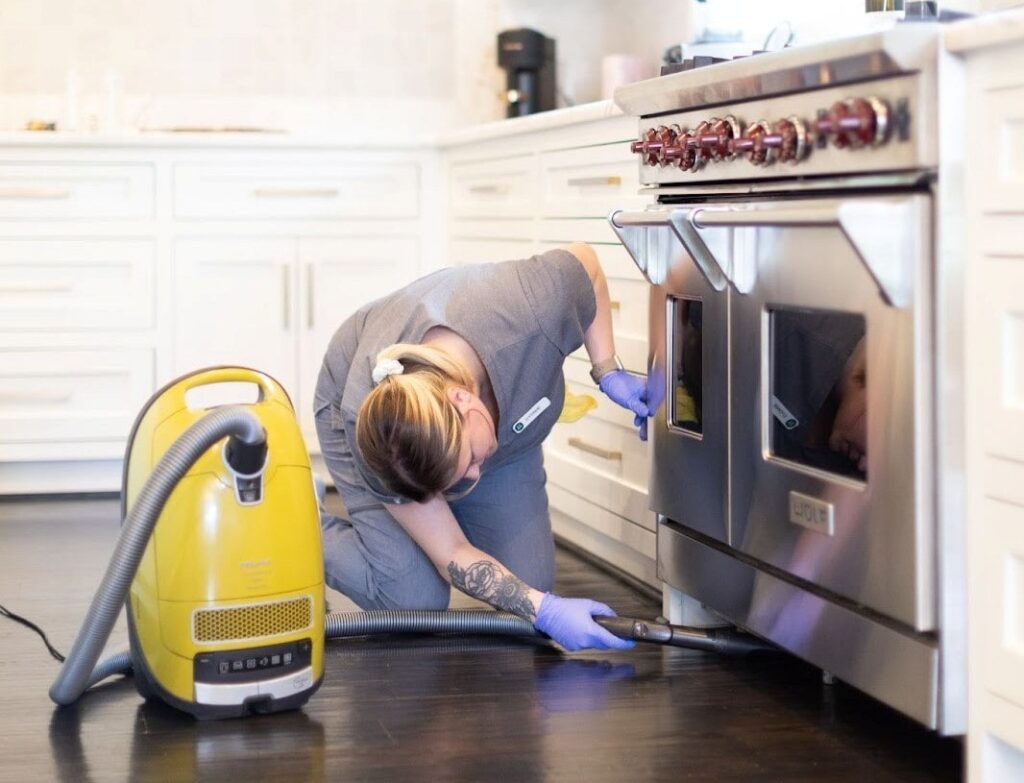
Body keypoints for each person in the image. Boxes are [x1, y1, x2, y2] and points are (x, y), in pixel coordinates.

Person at [313, 243, 649, 651]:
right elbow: (450, 550)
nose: (473, 479)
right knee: (411, 600)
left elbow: (588, 264)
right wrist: (544, 612)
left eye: (469, 462)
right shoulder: (385, 443)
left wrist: (607, 368)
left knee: (529, 584)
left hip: (501, 430)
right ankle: (301, 527)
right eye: (456, 480)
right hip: (353, 398)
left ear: (462, 399)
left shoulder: (532, 304)